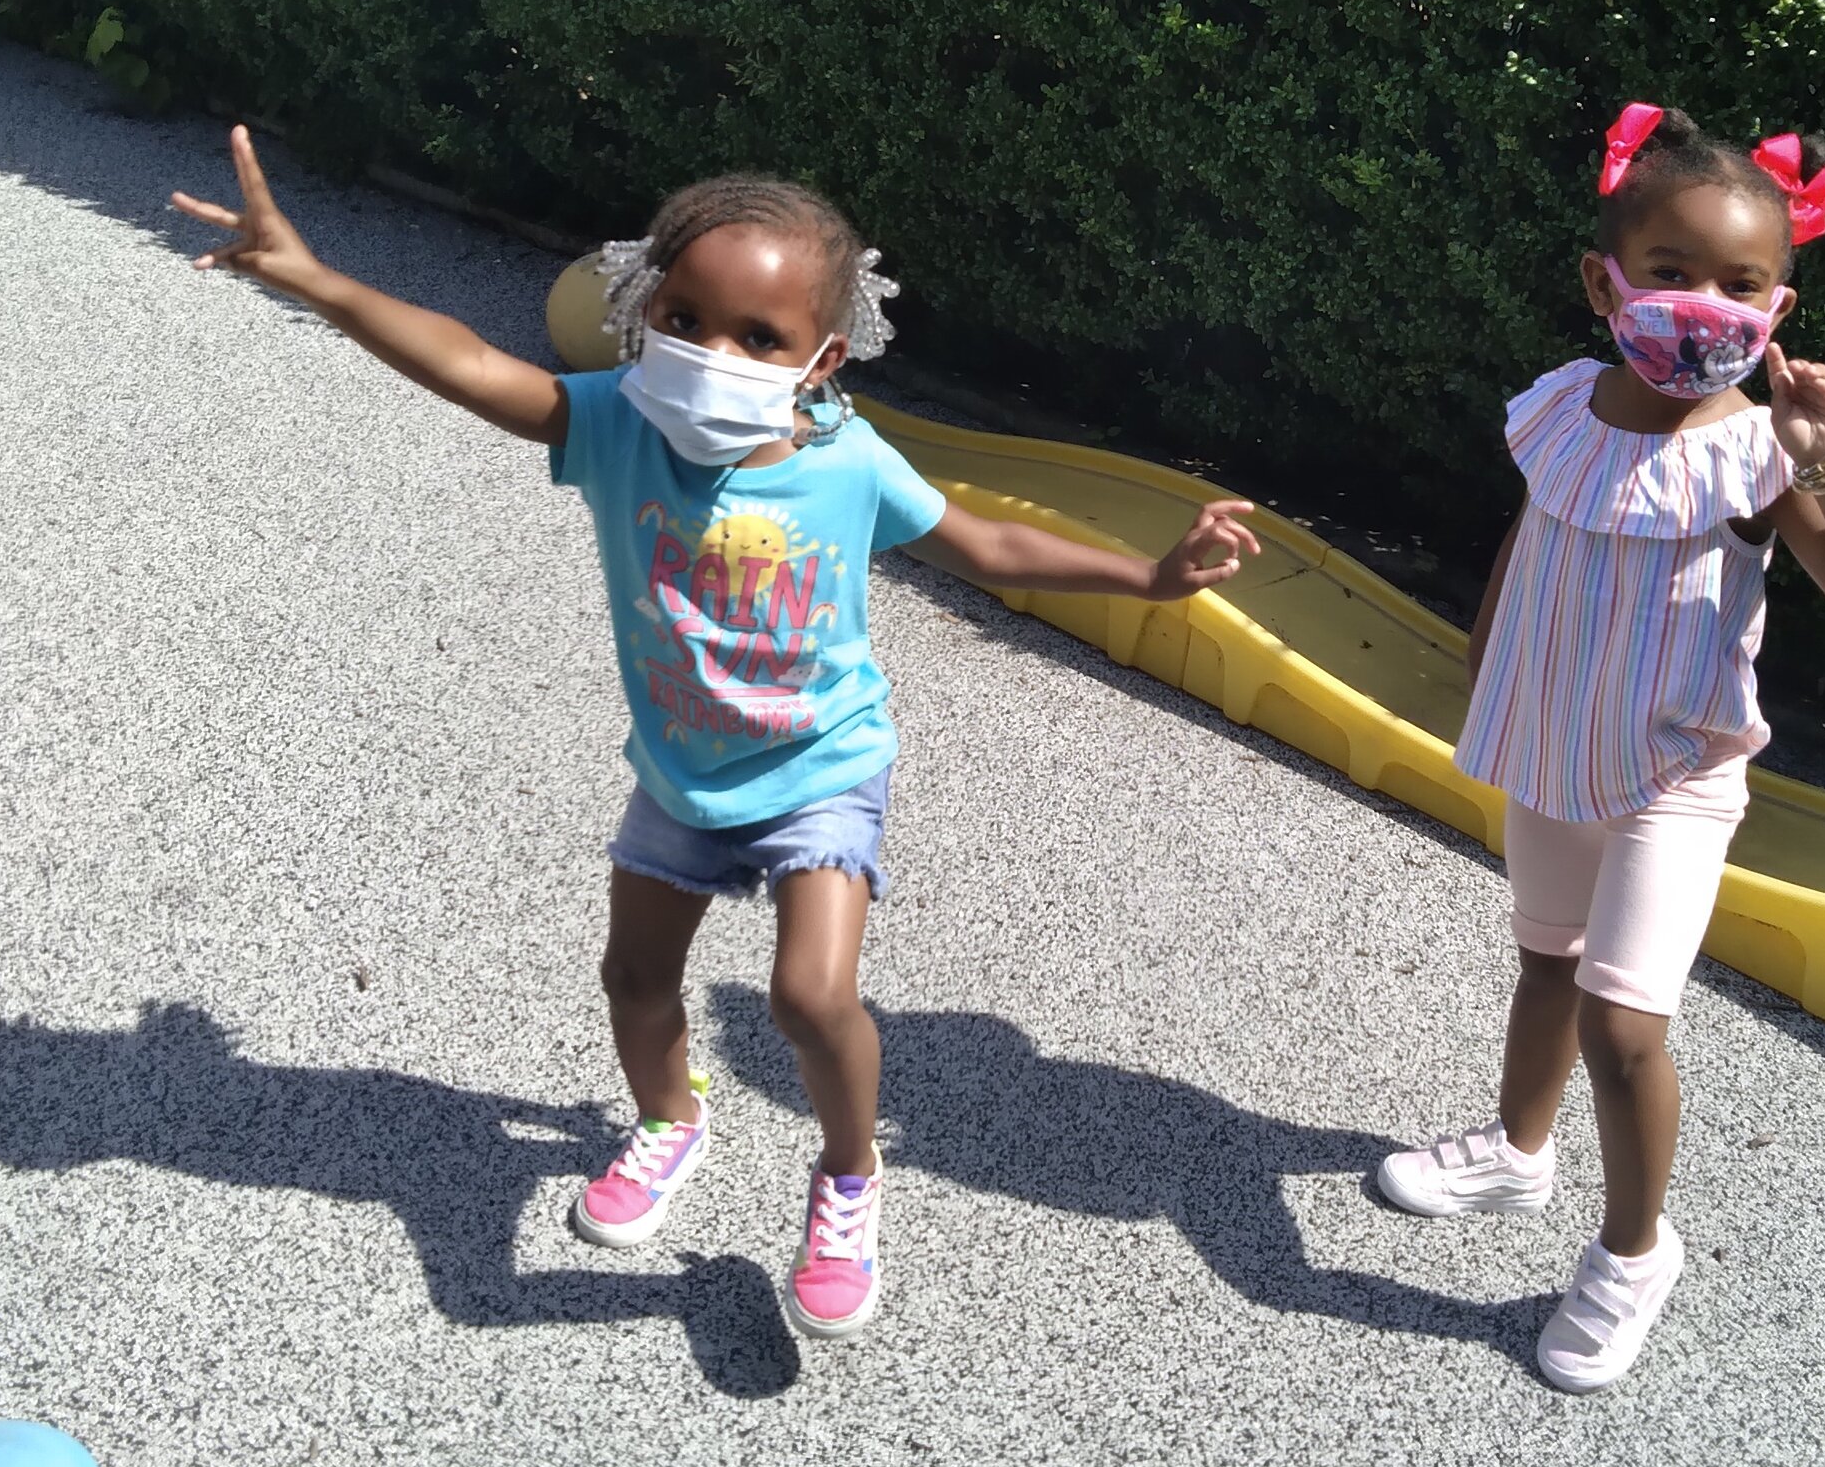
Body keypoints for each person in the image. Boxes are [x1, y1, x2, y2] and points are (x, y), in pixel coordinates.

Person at [173, 137, 1259, 1341]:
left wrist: (1153, 580)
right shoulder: (614, 426)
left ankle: (848, 1178)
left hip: (819, 768)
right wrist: (319, 281)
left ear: (821, 359)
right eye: (682, 318)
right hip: (683, 776)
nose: (709, 354)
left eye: (757, 338)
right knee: (634, 980)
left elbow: (992, 547)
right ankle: (668, 1120)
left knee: (808, 996)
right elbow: (472, 363)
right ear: (643, 311)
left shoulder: (848, 462)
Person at [1376, 102, 1825, 1394]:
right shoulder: (1564, 408)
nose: (1703, 307)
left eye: (1743, 285)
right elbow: (1536, 533)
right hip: (1556, 736)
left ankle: (1632, 1253)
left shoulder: (1760, 455)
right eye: (1671, 274)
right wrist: (1488, 656)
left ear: (1778, 310)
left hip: (1678, 774)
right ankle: (1518, 1153)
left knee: (1626, 1026)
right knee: (1545, 966)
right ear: (1602, 283)